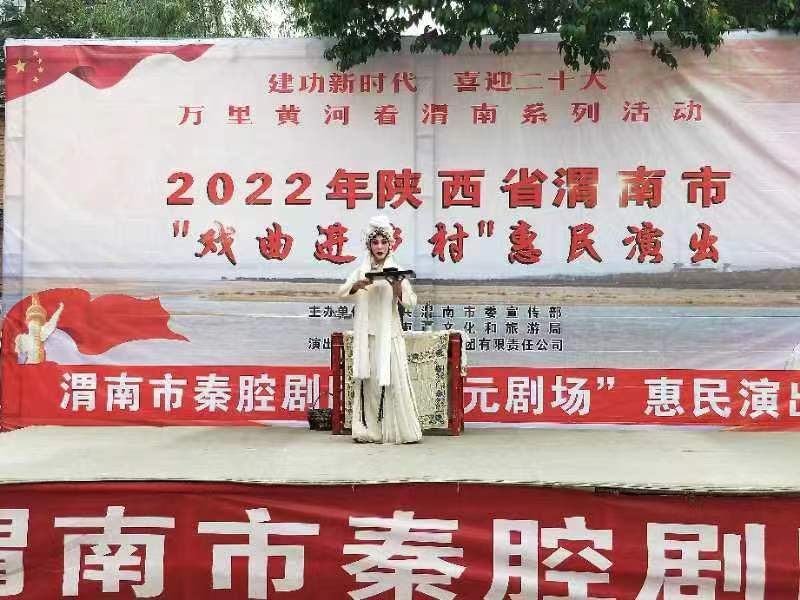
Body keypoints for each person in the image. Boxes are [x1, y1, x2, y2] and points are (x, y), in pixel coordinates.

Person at [337, 215, 422, 444]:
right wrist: (356, 286)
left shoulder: (397, 270)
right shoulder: (361, 270)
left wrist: (397, 287)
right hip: (367, 335)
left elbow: (410, 303)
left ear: (390, 245)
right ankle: (370, 430)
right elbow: (341, 292)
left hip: (389, 334)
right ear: (369, 245)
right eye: (375, 242)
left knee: (392, 383)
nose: (379, 247)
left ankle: (396, 431)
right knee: (370, 384)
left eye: (383, 242)